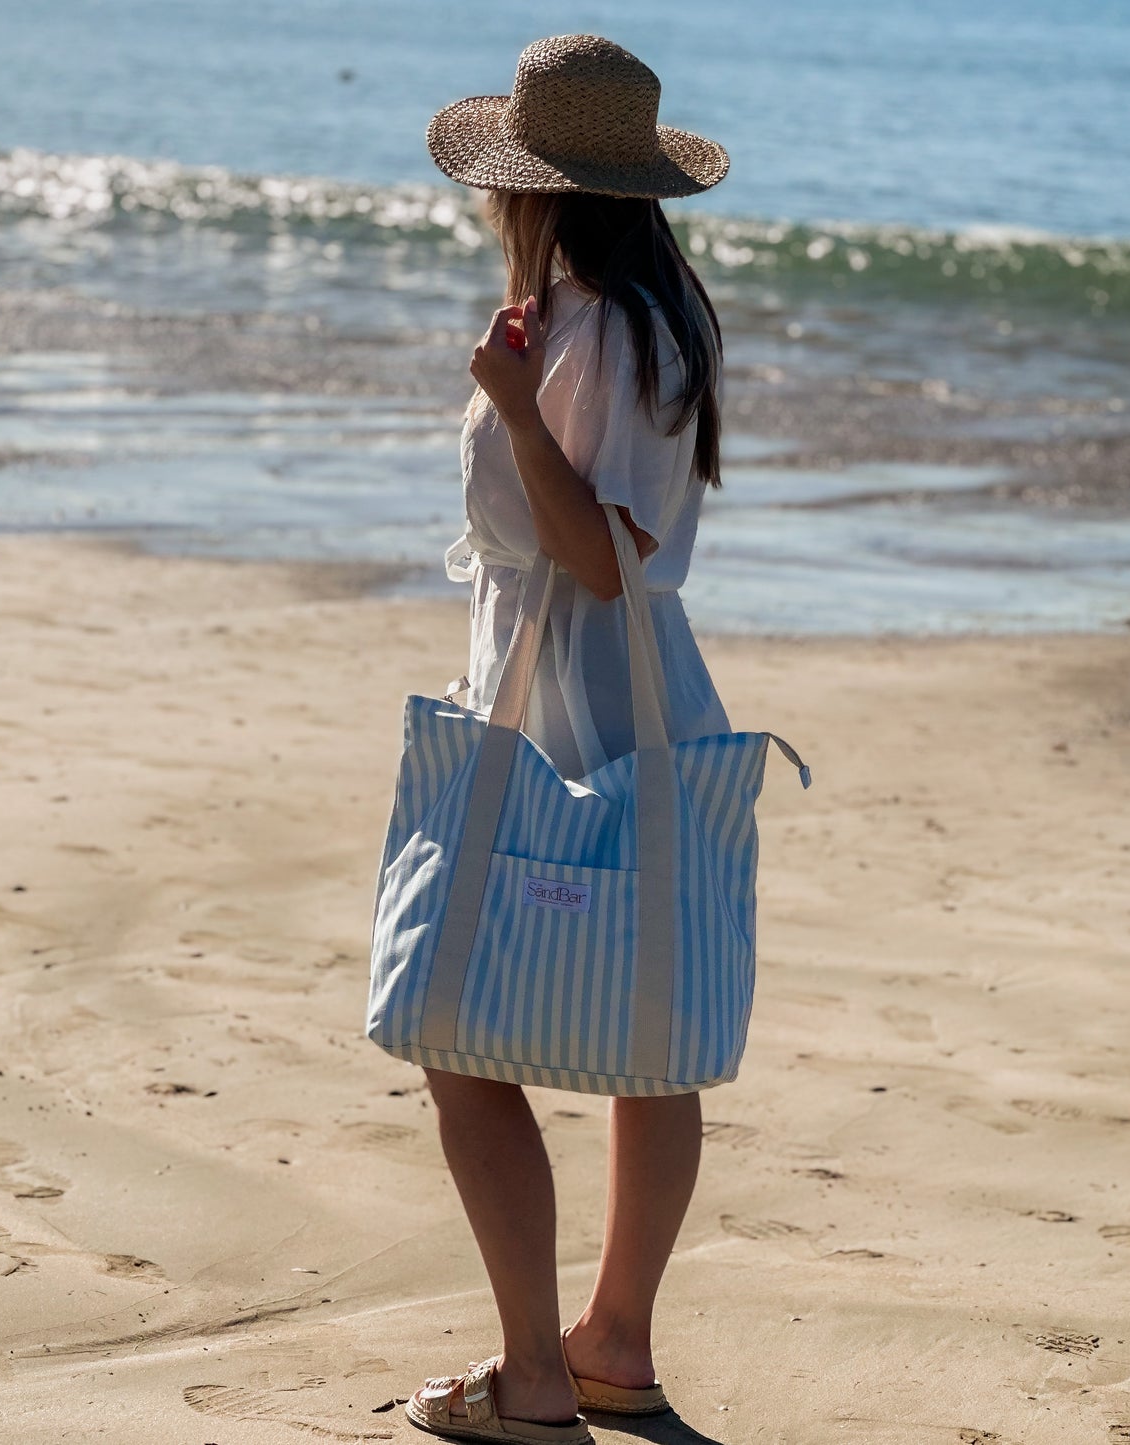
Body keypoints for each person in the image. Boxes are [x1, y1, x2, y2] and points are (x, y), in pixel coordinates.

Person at [405, 34, 734, 1445]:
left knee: (453, 1030)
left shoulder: (584, 329)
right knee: (649, 1038)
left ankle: (535, 1373)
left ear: (531, 187)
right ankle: (612, 1346)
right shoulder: (664, 317)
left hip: (563, 710)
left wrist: (506, 402)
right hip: (643, 706)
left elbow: (595, 557)